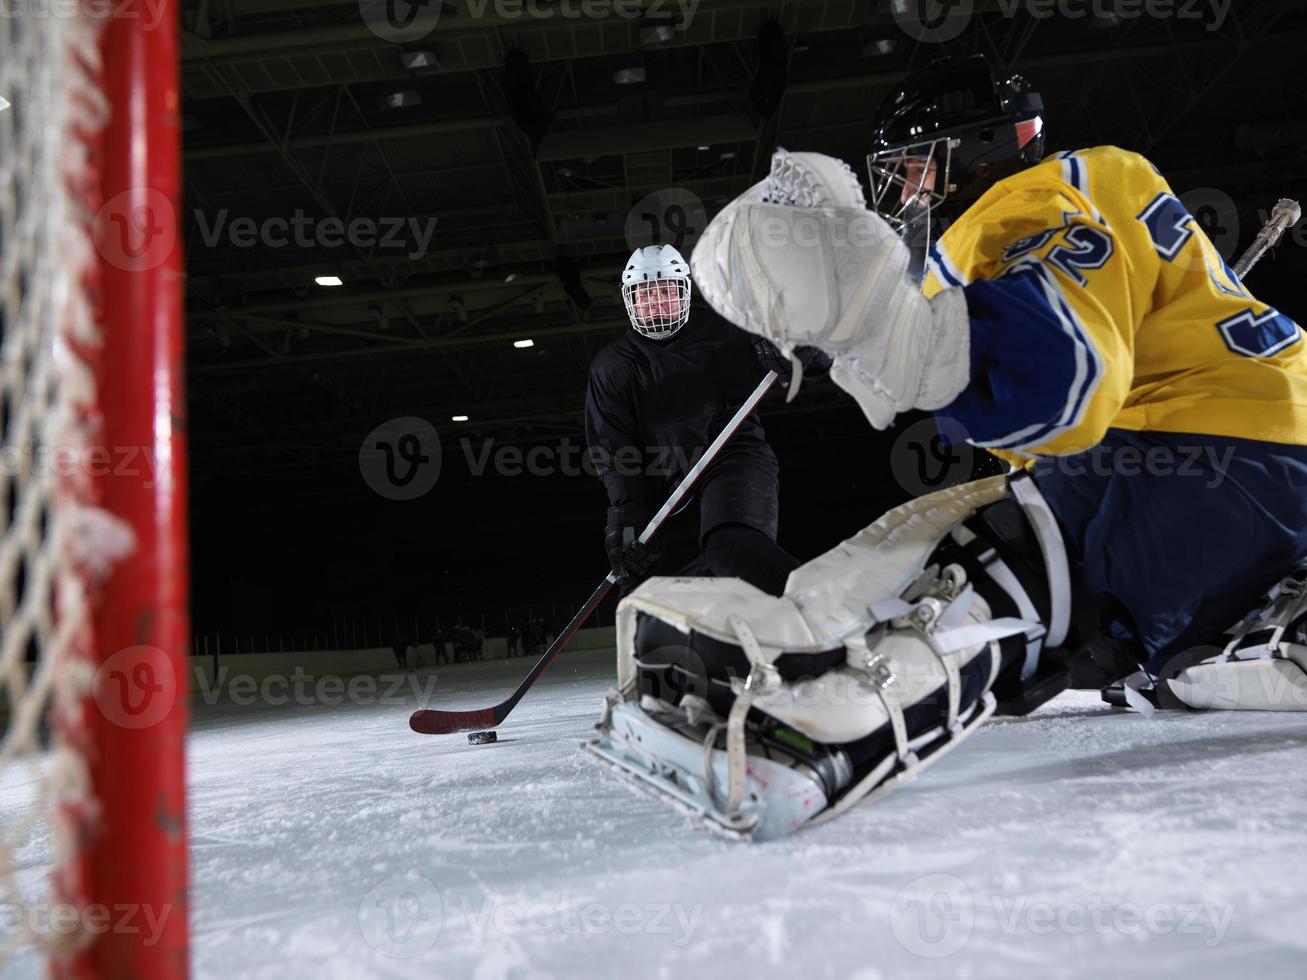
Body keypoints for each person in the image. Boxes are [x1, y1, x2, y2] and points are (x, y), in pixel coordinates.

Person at [587, 55, 1307, 840]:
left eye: (909, 170)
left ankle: (806, 732)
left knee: (984, 555)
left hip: (1204, 456)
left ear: (965, 150)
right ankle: (1266, 630)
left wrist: (872, 325)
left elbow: (1069, 383)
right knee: (1133, 644)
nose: (906, 194)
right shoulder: (1108, 174)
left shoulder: (1012, 207)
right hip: (1268, 446)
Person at [584, 243, 830, 600]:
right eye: (646, 292)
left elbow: (799, 358)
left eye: (666, 290)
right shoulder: (612, 368)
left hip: (731, 462)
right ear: (630, 300)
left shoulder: (724, 331)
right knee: (640, 601)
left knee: (731, 547)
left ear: (684, 292)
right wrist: (625, 521)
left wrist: (807, 352)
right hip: (665, 493)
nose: (656, 302)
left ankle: (824, 608)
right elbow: (614, 451)